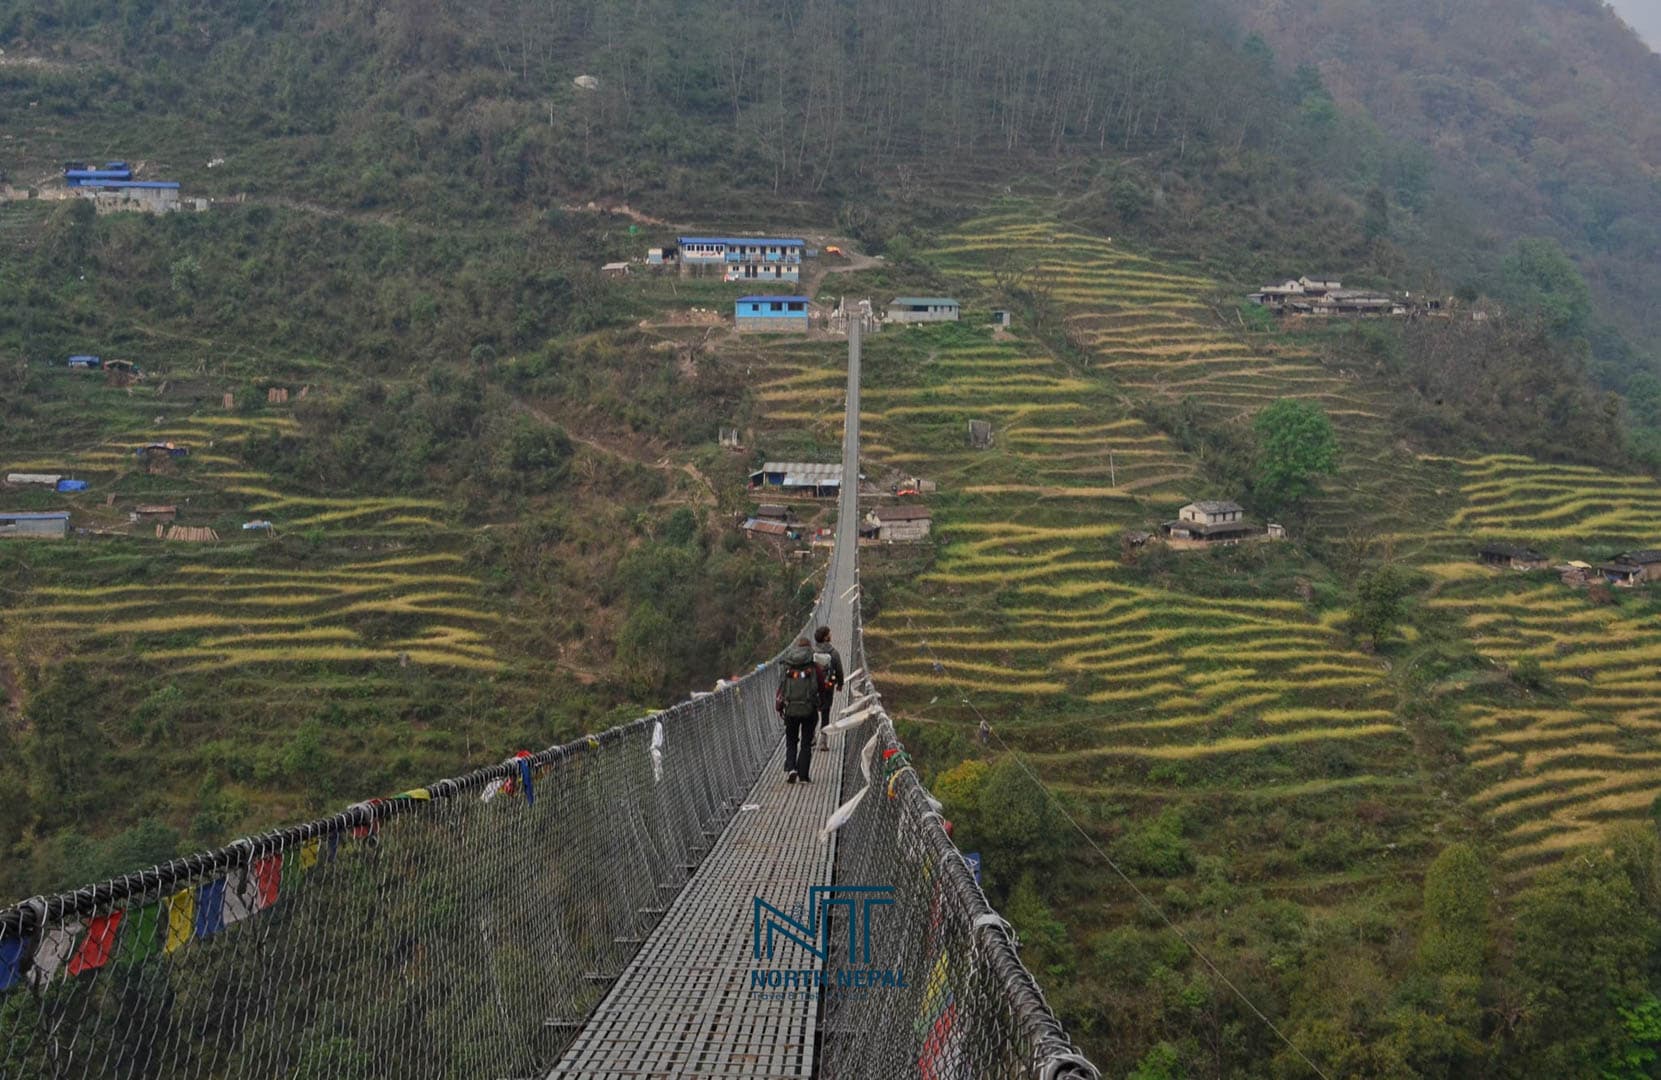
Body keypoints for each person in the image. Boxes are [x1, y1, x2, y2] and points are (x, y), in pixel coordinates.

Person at [775, 637, 824, 783]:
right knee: (806, 742)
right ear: (809, 649)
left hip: (790, 708)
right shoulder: (814, 666)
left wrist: (779, 706)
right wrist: (821, 703)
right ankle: (803, 775)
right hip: (809, 708)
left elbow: (781, 688)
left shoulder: (787, 666)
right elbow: (821, 686)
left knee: (791, 740)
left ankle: (791, 768)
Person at [812, 626, 844, 752]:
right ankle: (823, 742)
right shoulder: (833, 653)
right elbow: (839, 670)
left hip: (813, 688)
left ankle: (811, 738)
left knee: (813, 712)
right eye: (830, 634)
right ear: (826, 637)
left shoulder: (811, 651)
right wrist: (840, 684)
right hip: (827, 687)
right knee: (825, 714)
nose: (831, 635)